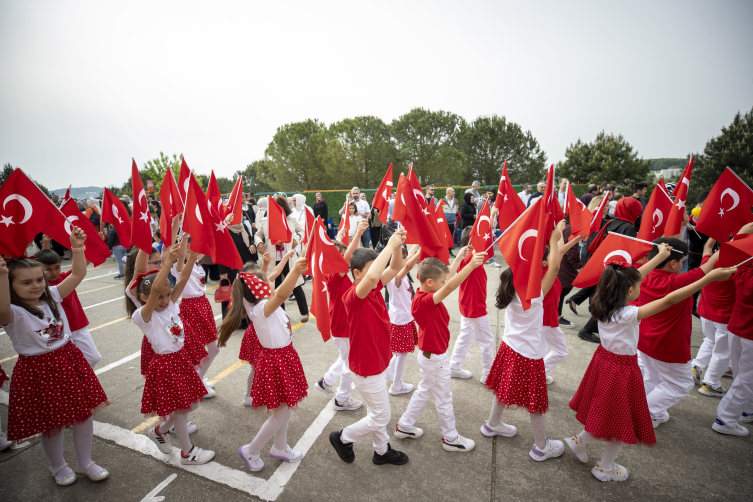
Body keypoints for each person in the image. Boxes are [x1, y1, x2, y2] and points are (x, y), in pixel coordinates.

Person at [565, 244, 735, 481]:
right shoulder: (627, 314)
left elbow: (635, 278)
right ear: (630, 290)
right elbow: (669, 300)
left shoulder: (601, 301)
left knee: (606, 412)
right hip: (621, 370)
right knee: (621, 421)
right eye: (638, 287)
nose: (641, 286)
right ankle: (605, 468)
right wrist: (708, 278)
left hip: (604, 363)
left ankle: (580, 441)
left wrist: (661, 257)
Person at [0, 230, 111, 486]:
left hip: (69, 360)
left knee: (84, 415)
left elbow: (78, 274)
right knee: (54, 424)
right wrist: (2, 274)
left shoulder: (52, 295)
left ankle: (85, 462)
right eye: (26, 283)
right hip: (38, 369)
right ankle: (57, 465)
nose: (37, 285)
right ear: (10, 287)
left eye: (39, 279)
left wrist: (77, 248)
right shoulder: (12, 313)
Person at [480, 226, 564, 461]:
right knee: (535, 401)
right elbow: (555, 267)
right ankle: (541, 446)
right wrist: (556, 238)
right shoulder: (535, 293)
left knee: (502, 388)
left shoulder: (512, 280)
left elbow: (550, 265)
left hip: (509, 346)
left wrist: (554, 242)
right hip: (528, 353)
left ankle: (492, 424)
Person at [329, 227, 410, 466]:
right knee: (382, 416)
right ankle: (343, 438)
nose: (376, 272)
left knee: (376, 411)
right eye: (371, 267)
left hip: (376, 362)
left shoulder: (373, 288)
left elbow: (393, 268)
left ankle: (382, 451)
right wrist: (388, 245)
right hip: (367, 367)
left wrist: (396, 247)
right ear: (356, 273)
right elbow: (374, 276)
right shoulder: (354, 295)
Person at [218, 259, 310, 471]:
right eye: (266, 282)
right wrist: (295, 270)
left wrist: (290, 264)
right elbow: (281, 293)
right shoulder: (261, 308)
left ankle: (280, 447)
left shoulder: (259, 304)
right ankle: (251, 450)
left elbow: (278, 290)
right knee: (283, 412)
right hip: (276, 361)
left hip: (282, 358)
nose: (270, 283)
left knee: (284, 408)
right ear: (257, 290)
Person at [395, 250, 487, 451]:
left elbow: (447, 280)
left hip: (431, 357)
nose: (445, 284)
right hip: (435, 359)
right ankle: (450, 438)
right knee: (444, 399)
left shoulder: (426, 294)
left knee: (424, 391)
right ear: (429, 283)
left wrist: (460, 258)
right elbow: (450, 286)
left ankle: (404, 425)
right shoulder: (423, 301)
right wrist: (470, 266)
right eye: (441, 282)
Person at [132, 243, 215, 466]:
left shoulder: (170, 306)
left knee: (192, 404)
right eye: (160, 297)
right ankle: (188, 453)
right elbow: (157, 290)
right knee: (182, 409)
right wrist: (167, 263)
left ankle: (159, 431)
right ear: (143, 298)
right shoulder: (145, 315)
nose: (165, 299)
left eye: (168, 295)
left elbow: (183, 279)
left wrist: (191, 256)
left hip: (181, 360)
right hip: (166, 365)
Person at [636, 237, 722, 428]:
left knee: (653, 377)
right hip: (668, 345)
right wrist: (721, 254)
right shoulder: (676, 281)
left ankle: (652, 413)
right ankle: (643, 414)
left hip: (645, 340)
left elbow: (703, 269)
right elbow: (705, 271)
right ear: (673, 263)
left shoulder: (643, 275)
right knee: (681, 384)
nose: (684, 265)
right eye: (682, 261)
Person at [574, 197, 643, 344]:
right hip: (619, 269)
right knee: (612, 301)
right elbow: (628, 250)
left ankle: (586, 324)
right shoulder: (628, 227)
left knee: (606, 298)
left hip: (608, 265)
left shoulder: (612, 222)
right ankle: (587, 329)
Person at [315, 222, 367, 411]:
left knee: (344, 358)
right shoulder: (335, 274)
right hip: (342, 326)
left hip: (343, 326)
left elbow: (340, 254)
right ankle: (342, 399)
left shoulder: (338, 275)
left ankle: (326, 381)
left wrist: (341, 236)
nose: (348, 258)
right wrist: (358, 233)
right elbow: (342, 257)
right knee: (349, 363)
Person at [713, 223, 753, 436]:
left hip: (737, 327)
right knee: (747, 377)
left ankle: (746, 410)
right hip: (749, 333)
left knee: (741, 372)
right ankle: (726, 418)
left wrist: (745, 229)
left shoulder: (743, 270)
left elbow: (740, 245)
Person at [35, 249, 101, 367]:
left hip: (77, 325)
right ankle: (75, 381)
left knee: (93, 357)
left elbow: (81, 267)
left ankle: (81, 377)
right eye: (47, 269)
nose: (54, 272)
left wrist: (92, 247)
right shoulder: (38, 288)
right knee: (67, 363)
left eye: (57, 267)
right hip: (58, 331)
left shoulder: (65, 277)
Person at [171, 238, 220, 395]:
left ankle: (199, 377)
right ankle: (196, 383)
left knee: (211, 348)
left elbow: (205, 247)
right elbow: (183, 258)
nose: (194, 253)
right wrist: (184, 237)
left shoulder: (197, 264)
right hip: (191, 309)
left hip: (202, 305)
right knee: (201, 349)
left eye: (196, 250)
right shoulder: (181, 268)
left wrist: (224, 221)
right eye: (190, 250)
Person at [541, 223, 585, 384]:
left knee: (540, 348)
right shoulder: (549, 274)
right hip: (547, 319)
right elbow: (559, 251)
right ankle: (538, 373)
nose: (555, 257)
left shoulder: (544, 270)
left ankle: (540, 373)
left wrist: (568, 235)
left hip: (543, 317)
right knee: (561, 350)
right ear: (546, 262)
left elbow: (560, 250)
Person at [449, 228, 495, 383]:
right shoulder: (470, 258)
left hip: (469, 304)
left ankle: (454, 365)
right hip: (475, 307)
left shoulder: (468, 258)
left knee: (466, 335)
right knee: (487, 341)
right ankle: (488, 373)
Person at [254, 196, 309, 322]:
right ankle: (281, 315)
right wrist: (259, 243)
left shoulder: (291, 219)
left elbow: (302, 231)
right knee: (276, 289)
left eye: (279, 206)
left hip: (288, 258)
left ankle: (304, 312)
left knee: (296, 286)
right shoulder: (265, 220)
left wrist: (296, 239)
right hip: (273, 260)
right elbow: (258, 234)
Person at [692, 238, 735, 397]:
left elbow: (708, 246)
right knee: (722, 352)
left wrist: (717, 233)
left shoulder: (708, 262)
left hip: (706, 314)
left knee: (710, 340)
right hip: (724, 318)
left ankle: (696, 367)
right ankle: (711, 383)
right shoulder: (736, 270)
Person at [384, 245, 421, 395]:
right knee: (403, 353)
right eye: (403, 258)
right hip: (401, 320)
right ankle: (396, 385)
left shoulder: (396, 273)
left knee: (400, 352)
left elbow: (408, 255)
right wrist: (422, 250)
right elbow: (408, 265)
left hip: (403, 317)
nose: (406, 260)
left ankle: (390, 369)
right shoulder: (395, 277)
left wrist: (418, 244)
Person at [441, 188, 458, 255]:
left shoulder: (456, 201)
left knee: (450, 237)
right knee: (444, 237)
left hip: (452, 222)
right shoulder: (441, 201)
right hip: (444, 222)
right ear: (448, 193)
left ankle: (450, 251)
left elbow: (456, 210)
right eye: (452, 192)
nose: (454, 193)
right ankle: (444, 251)